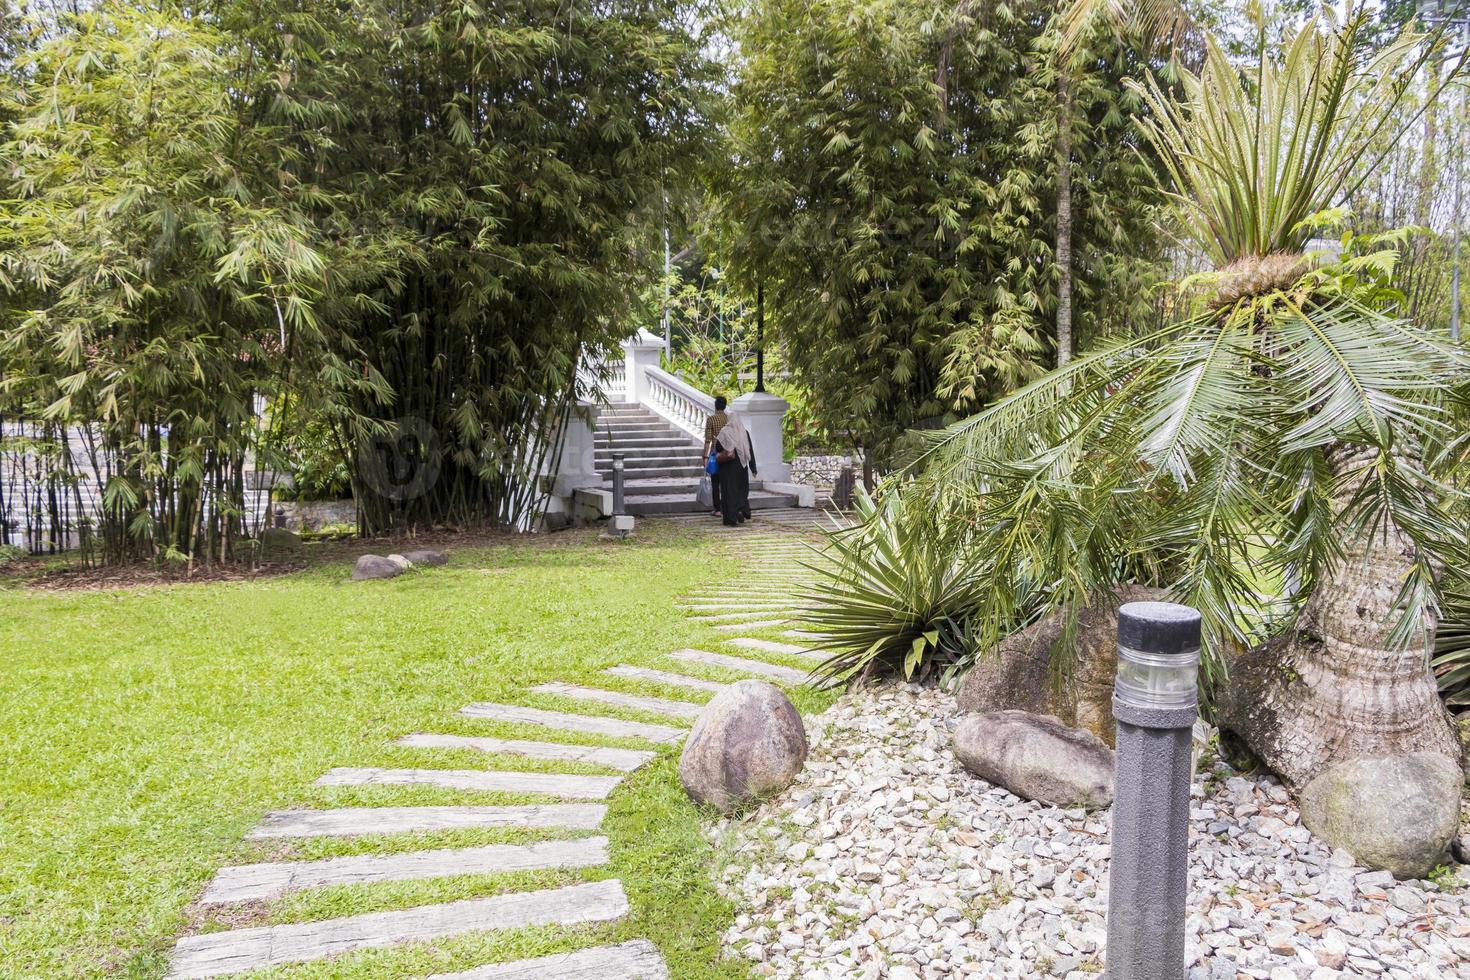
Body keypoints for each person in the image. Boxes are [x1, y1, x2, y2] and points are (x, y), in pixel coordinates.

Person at [714, 411, 757, 526]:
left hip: (727, 468)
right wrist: (753, 468)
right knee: (741, 491)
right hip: (741, 467)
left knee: (728, 492)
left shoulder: (724, 431)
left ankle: (730, 518)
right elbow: (750, 450)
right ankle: (741, 510)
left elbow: (718, 447)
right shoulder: (744, 432)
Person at [702, 395, 729, 515]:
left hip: (715, 454)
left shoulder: (711, 419)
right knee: (725, 483)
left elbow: (708, 440)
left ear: (716, 406)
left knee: (715, 482)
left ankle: (717, 509)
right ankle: (725, 507)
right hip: (728, 453)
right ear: (724, 406)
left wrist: (705, 456)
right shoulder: (728, 419)